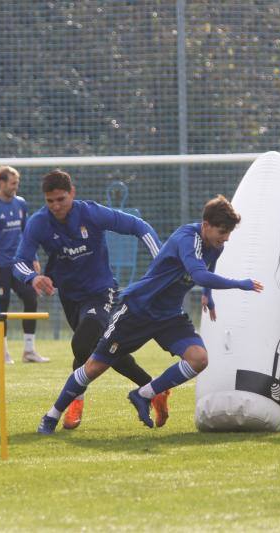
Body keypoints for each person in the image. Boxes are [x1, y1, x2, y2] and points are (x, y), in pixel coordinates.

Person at [36, 195, 263, 434]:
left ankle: (143, 394)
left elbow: (209, 267)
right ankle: (51, 416)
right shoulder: (188, 239)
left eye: (228, 233)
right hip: (137, 310)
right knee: (93, 367)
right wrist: (240, 283)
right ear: (206, 225)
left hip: (169, 316)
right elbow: (199, 274)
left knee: (199, 358)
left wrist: (209, 295)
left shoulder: (215, 245)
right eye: (222, 232)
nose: (226, 238)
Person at [13, 169, 166, 430]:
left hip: (101, 291)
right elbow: (19, 261)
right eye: (50, 201)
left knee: (83, 344)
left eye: (61, 199)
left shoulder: (91, 213)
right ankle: (153, 388)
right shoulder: (39, 223)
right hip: (70, 298)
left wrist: (162, 261)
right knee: (100, 348)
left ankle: (75, 400)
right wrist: (33, 279)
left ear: (72, 193)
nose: (56, 206)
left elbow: (140, 227)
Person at [0, 165, 48, 364]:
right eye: (13, 183)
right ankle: (3, 352)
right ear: (1, 183)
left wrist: (33, 257)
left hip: (19, 264)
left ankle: (29, 350)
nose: (16, 186)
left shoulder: (21, 204)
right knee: (2, 306)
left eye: (17, 183)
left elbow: (28, 234)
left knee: (31, 297)